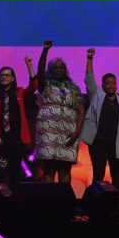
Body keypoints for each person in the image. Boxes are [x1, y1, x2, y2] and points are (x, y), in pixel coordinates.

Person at [81, 48, 119, 194]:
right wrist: (90, 59)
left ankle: (118, 203)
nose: (111, 85)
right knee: (98, 175)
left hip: (117, 144)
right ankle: (96, 203)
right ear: (102, 85)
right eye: (108, 83)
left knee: (117, 175)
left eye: (113, 83)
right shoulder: (96, 96)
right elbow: (89, 78)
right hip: (98, 143)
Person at [0, 59, 37, 191]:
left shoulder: (19, 92)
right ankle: (0, 202)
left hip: (16, 141)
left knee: (15, 176)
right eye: (2, 75)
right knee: (0, 176)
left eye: (7, 75)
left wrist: (30, 66)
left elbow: (34, 87)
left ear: (13, 78)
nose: (4, 77)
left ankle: (15, 201)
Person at [34, 40, 85, 184]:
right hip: (48, 131)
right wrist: (45, 50)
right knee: (48, 169)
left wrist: (77, 132)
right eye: (55, 68)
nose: (58, 70)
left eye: (61, 68)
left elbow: (80, 110)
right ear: (50, 70)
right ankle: (47, 197)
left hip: (68, 131)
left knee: (65, 169)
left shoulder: (73, 88)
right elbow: (40, 70)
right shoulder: (46, 84)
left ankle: (64, 198)